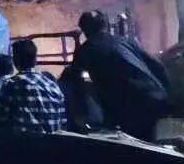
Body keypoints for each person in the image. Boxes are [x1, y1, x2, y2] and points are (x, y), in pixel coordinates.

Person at [70, 9, 171, 142]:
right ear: (105, 25)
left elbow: (74, 80)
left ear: (85, 30)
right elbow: (157, 66)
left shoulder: (85, 51)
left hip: (129, 104)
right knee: (147, 141)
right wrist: (168, 92)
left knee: (135, 146)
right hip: (153, 96)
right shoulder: (126, 41)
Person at [0, 37, 67, 134]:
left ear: (15, 61)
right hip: (53, 146)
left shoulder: (11, 84)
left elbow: (1, 119)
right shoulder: (53, 86)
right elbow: (62, 121)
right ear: (35, 59)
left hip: (23, 146)